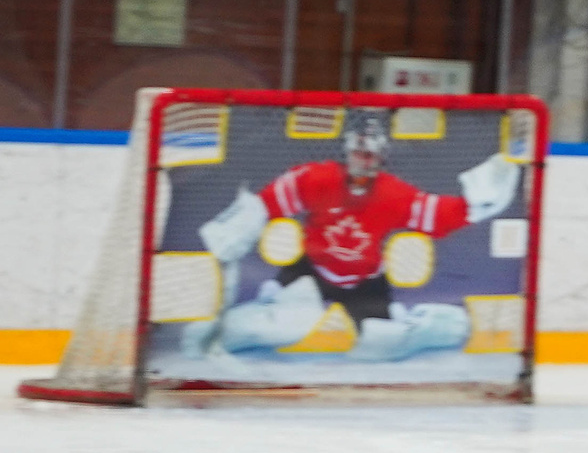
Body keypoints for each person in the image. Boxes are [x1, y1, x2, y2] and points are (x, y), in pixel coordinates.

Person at [187, 110, 521, 361]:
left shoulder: (393, 194)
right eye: (359, 151)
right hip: (311, 272)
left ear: (382, 157)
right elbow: (265, 205)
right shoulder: (316, 180)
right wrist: (234, 231)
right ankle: (216, 332)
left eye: (372, 154)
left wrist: (477, 203)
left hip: (365, 281)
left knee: (381, 344)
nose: (364, 160)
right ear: (346, 150)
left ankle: (436, 322)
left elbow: (440, 216)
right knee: (285, 325)